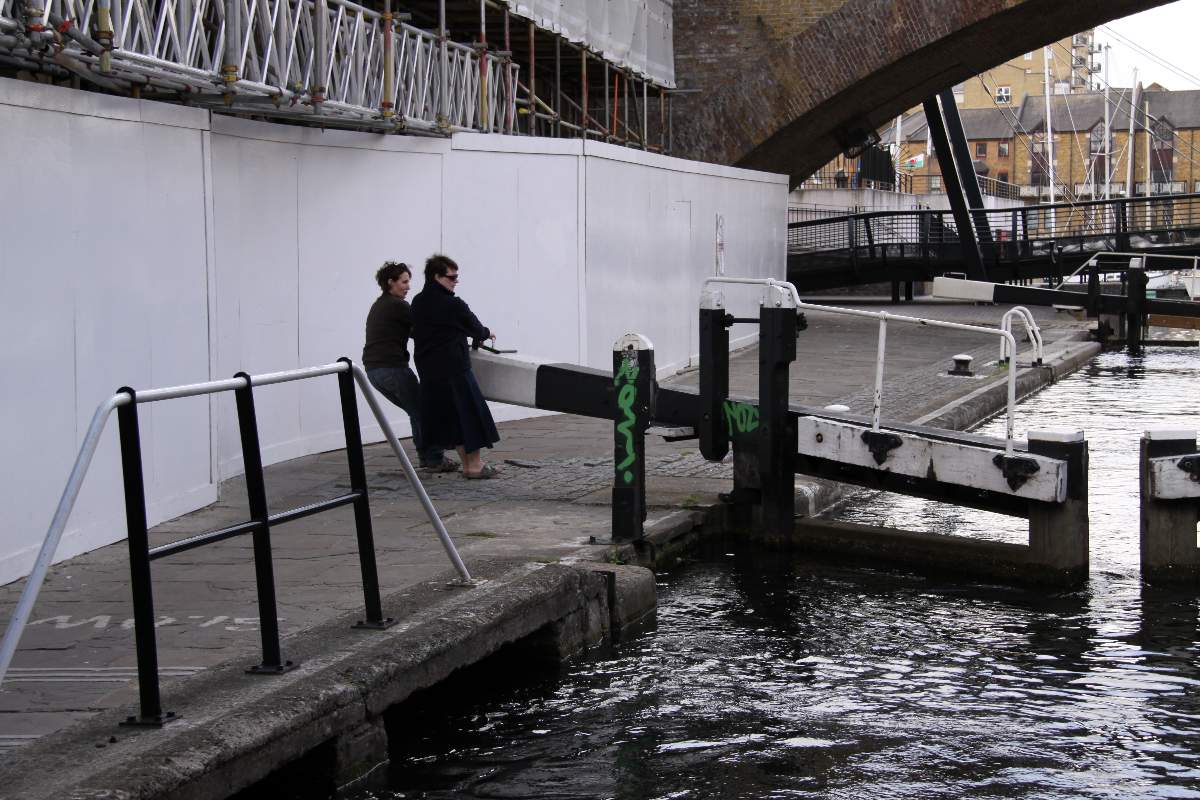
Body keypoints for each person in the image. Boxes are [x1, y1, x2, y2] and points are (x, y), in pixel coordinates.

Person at [411, 254, 501, 479]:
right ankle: (474, 466)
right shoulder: (453, 304)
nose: (455, 282)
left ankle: (467, 464)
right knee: (469, 416)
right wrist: (487, 333)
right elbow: (477, 328)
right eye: (452, 277)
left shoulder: (418, 302)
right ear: (437, 277)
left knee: (452, 420)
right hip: (454, 370)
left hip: (429, 372)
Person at [362, 261, 457, 472]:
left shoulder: (381, 304)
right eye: (404, 282)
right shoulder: (398, 306)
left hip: (374, 371)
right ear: (390, 282)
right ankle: (433, 459)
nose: (408, 286)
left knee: (417, 410)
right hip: (392, 369)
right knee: (423, 410)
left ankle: (428, 457)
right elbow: (424, 329)